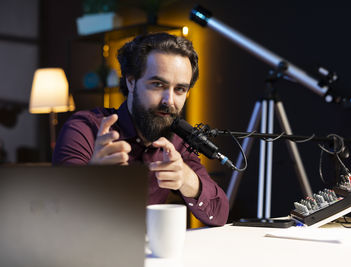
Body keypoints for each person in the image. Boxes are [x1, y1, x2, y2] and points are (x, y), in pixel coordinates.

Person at [53, 32, 229, 226]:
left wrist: (187, 179)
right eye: (157, 84)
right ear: (131, 81)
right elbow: (59, 213)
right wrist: (95, 179)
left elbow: (220, 214)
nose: (168, 101)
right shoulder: (85, 128)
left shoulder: (178, 142)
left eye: (179, 89)